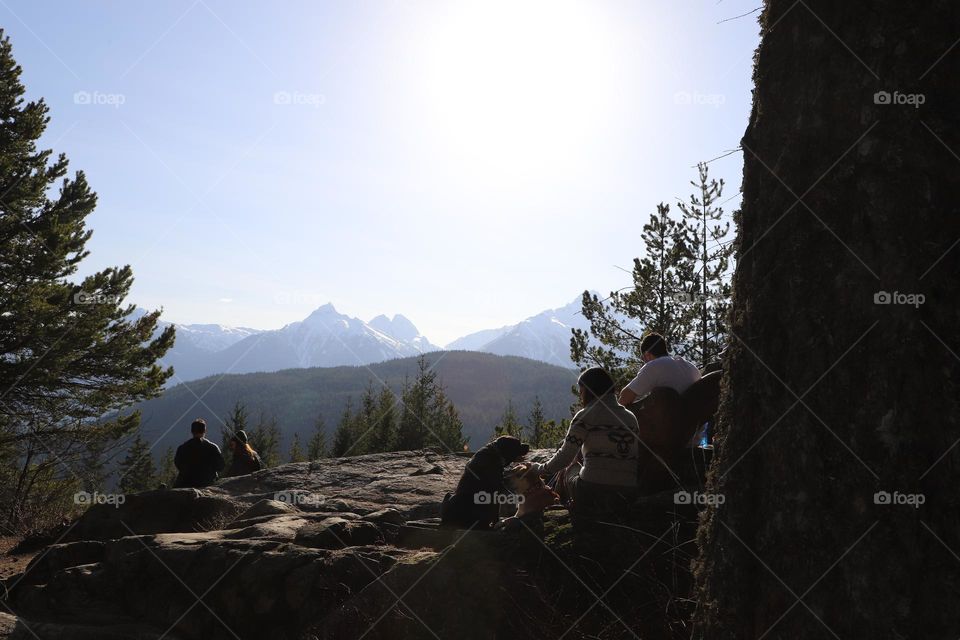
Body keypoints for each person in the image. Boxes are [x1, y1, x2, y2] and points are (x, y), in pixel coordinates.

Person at [525, 367, 639, 523]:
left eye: (581, 391)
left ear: (587, 390)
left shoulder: (585, 415)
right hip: (628, 492)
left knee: (570, 468)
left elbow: (565, 457)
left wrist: (540, 469)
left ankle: (562, 508)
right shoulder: (631, 418)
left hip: (592, 489)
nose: (580, 396)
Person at [618, 332, 701, 406]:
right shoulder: (692, 367)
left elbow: (624, 399)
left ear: (647, 354)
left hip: (673, 421)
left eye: (643, 358)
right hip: (697, 420)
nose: (644, 362)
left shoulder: (653, 366)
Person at [173, 418, 226, 488]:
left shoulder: (182, 448)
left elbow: (178, 464)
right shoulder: (213, 448)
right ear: (204, 431)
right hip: (207, 485)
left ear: (192, 431)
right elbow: (221, 466)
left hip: (186, 485)